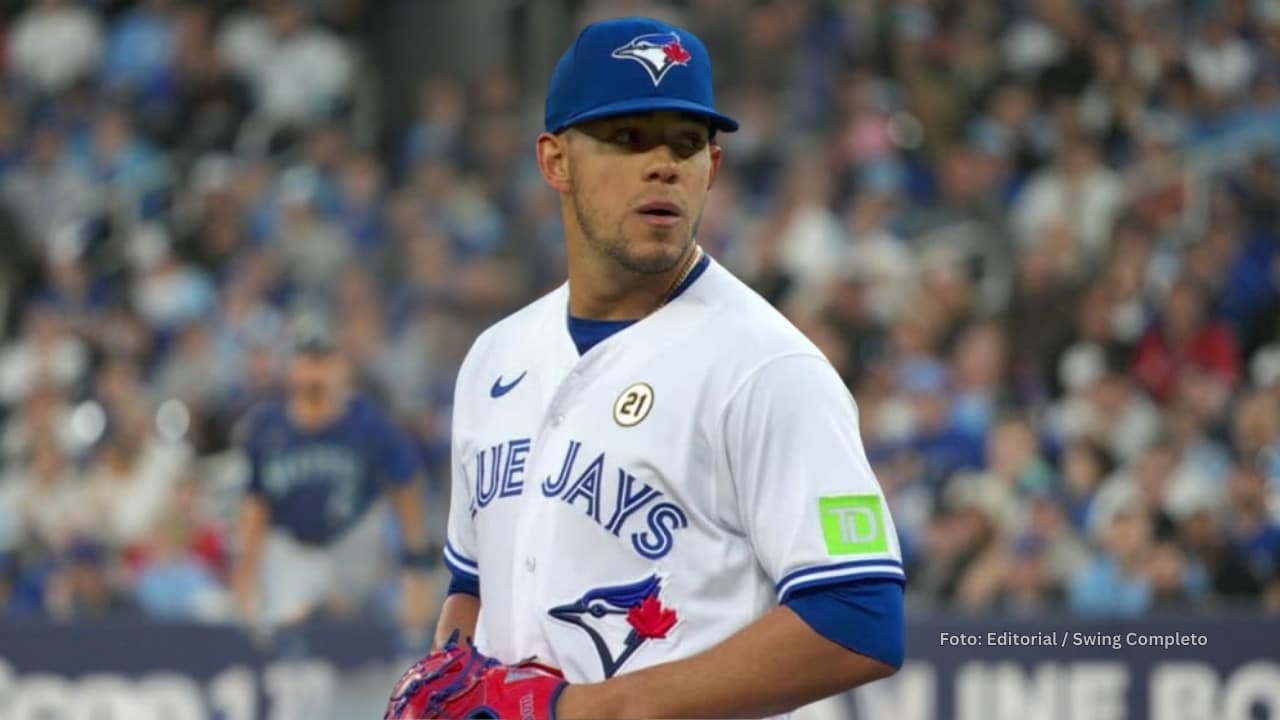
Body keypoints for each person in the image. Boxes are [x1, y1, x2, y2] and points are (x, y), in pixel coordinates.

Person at [387, 17, 904, 720]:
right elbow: (474, 580)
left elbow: (858, 619)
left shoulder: (768, 367)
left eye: (687, 143)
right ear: (554, 161)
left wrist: (586, 710)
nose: (663, 162)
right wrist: (445, 679)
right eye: (627, 137)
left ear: (712, 170)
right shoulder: (495, 357)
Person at [232, 314, 434, 640]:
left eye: (324, 362)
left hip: (352, 541)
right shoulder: (267, 425)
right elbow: (256, 503)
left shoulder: (367, 422)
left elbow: (406, 487)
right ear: (292, 368)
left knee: (350, 625)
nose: (315, 371)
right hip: (293, 547)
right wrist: (245, 571)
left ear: (341, 368)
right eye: (307, 361)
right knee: (283, 633)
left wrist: (415, 566)